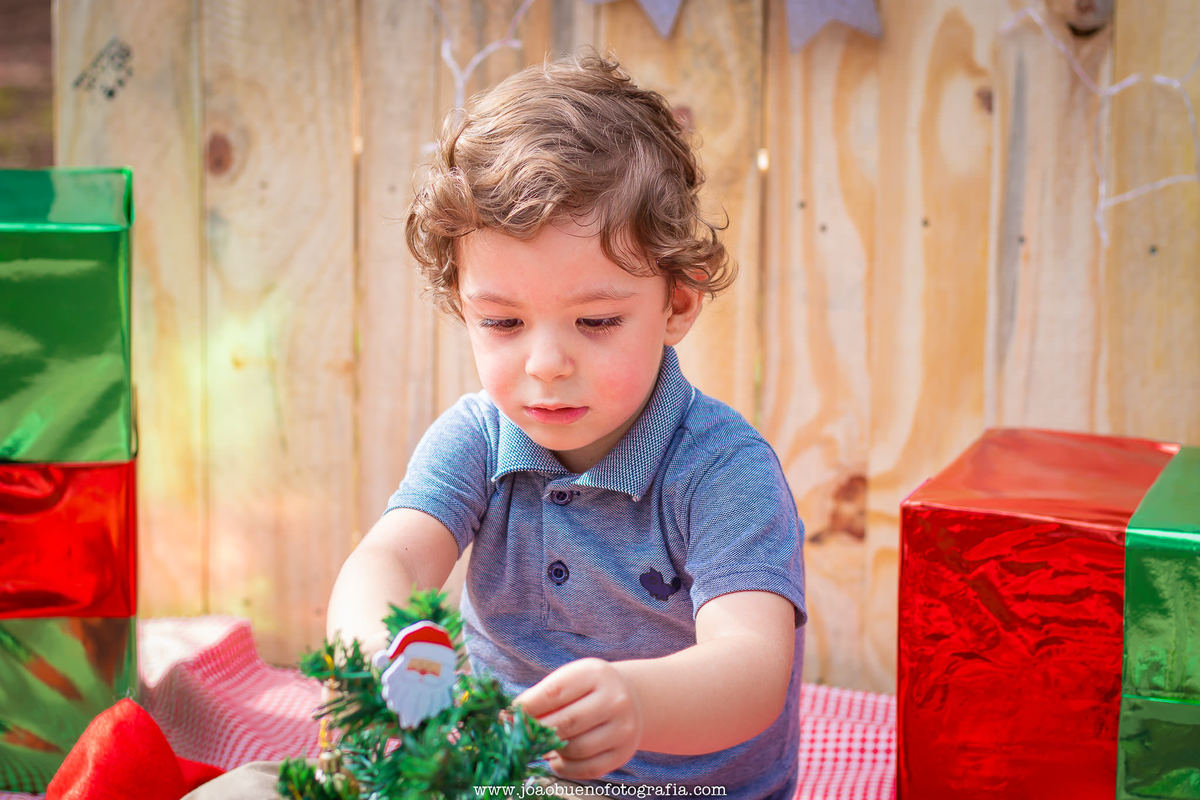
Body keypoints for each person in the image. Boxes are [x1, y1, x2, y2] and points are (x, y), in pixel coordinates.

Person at [327, 51, 806, 799]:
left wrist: (638, 703)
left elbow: (753, 669)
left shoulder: (723, 471)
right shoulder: (477, 438)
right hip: (498, 778)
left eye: (596, 321)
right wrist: (379, 655)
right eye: (503, 322)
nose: (546, 364)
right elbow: (387, 559)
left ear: (677, 304)